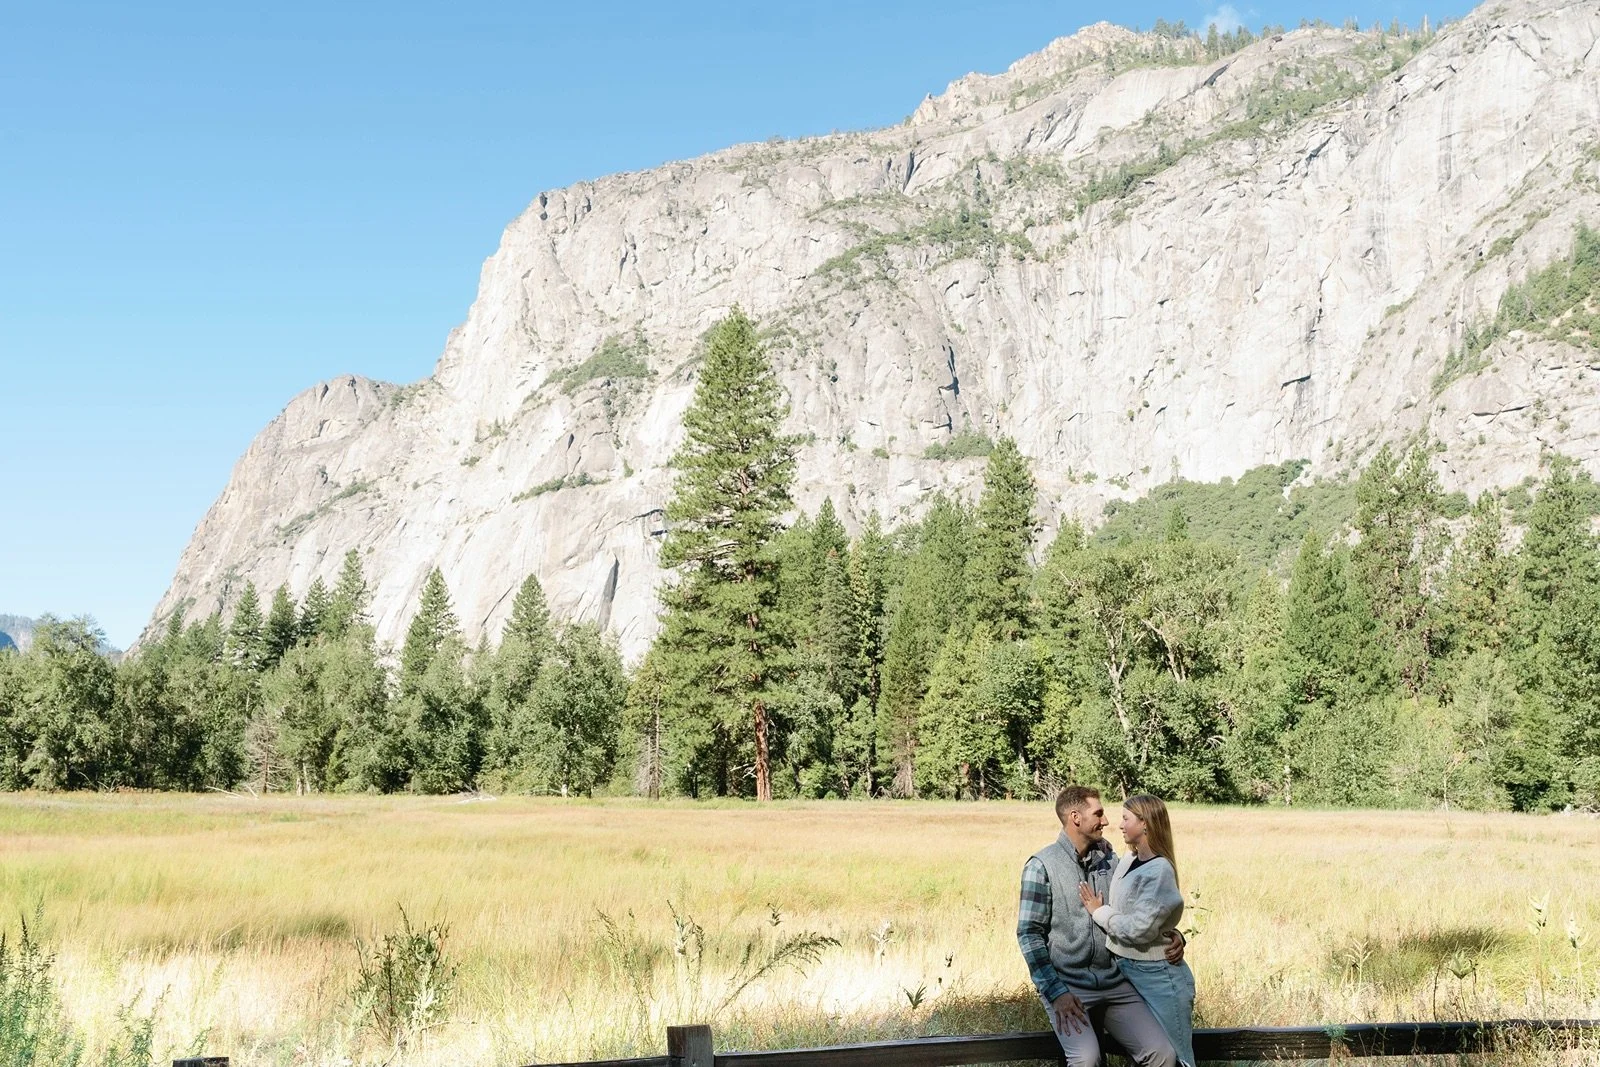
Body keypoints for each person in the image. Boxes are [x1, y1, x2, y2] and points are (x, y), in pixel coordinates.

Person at [1017, 785, 1183, 1067]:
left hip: (1117, 981)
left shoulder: (1111, 860)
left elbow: (1141, 913)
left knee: (1162, 1054)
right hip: (1069, 985)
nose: (1106, 821)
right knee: (1085, 1059)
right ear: (1075, 817)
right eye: (1099, 813)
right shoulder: (1041, 866)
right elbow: (1029, 934)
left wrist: (1172, 933)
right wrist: (1057, 993)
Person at [1078, 794, 1196, 1067]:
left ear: (1145, 824)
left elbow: (1138, 928)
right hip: (1131, 974)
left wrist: (1099, 912)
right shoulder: (1128, 860)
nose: (1118, 825)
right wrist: (1173, 933)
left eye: (1125, 818)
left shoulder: (1159, 871)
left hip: (1160, 978)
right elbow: (1149, 915)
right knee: (1147, 1053)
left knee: (1177, 1058)